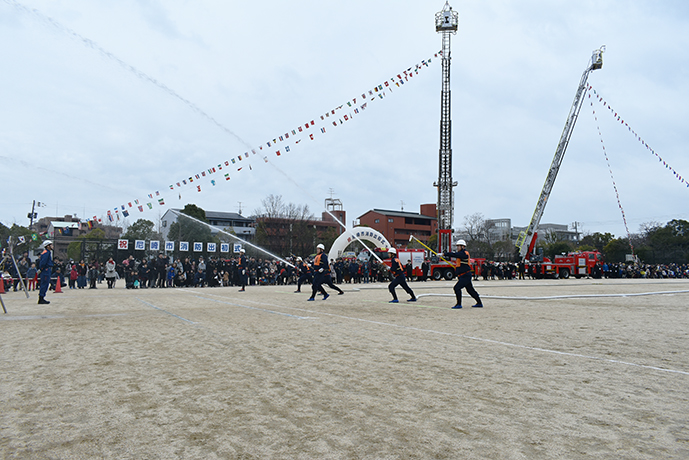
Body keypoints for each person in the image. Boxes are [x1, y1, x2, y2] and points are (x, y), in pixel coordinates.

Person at [442, 240, 483, 309]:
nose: (457, 247)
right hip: (462, 275)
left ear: (463, 246)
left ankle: (459, 304)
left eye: (458, 246)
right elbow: (455, 255)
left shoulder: (464, 253)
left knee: (457, 288)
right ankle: (479, 303)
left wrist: (445, 254)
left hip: (465, 275)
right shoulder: (460, 253)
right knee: (470, 290)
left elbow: (455, 255)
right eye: (457, 246)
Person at [37, 240, 54, 304]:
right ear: (48, 246)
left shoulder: (47, 252)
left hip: (46, 269)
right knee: (44, 284)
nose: (52, 246)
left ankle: (42, 297)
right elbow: (43, 262)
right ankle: (41, 298)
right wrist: (41, 269)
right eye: (51, 245)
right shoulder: (46, 253)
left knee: (45, 284)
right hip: (46, 270)